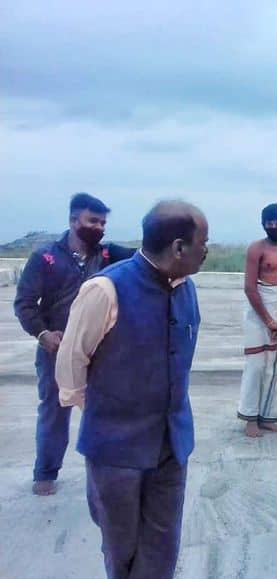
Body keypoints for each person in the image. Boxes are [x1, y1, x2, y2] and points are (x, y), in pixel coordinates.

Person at [55, 201, 208, 578]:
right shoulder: (105, 291)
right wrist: (106, 414)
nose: (207, 250)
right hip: (115, 452)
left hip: (171, 445)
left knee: (162, 546)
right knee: (121, 547)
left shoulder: (187, 289)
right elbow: (70, 365)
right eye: (203, 242)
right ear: (178, 247)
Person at [13, 193, 135, 496]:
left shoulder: (108, 255)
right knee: (55, 411)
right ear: (73, 221)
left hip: (101, 352)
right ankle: (46, 472)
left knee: (104, 413)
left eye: (103, 223)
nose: (99, 228)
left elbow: (145, 257)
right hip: (57, 350)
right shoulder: (45, 259)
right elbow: (25, 303)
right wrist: (43, 334)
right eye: (93, 221)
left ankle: (109, 473)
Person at [238, 203, 277, 436]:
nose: (274, 226)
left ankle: (269, 416)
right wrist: (268, 321)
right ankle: (250, 418)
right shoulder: (256, 249)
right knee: (256, 366)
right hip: (258, 314)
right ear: (263, 224)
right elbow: (250, 288)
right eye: (269, 222)